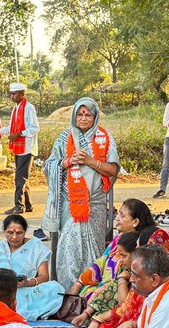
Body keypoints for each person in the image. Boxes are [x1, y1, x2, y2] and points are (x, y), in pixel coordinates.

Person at [41, 97, 121, 286]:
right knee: (68, 250)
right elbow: (49, 166)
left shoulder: (105, 137)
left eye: (88, 114)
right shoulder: (64, 138)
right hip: (70, 204)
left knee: (94, 251)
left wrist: (89, 161)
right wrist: (67, 162)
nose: (83, 118)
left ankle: (91, 292)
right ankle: (68, 291)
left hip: (95, 204)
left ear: (95, 117)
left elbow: (113, 170)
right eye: (80, 114)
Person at [0, 214, 65, 320]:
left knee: (55, 288)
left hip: (23, 289)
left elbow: (44, 276)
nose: (14, 237)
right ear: (4, 231)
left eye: (19, 233)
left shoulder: (36, 246)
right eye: (10, 232)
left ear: (25, 232)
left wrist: (27, 282)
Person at [6, 82, 40, 214]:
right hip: (18, 147)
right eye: (11, 94)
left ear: (21, 95)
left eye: (14, 94)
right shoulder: (16, 109)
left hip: (26, 148)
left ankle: (19, 206)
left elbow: (34, 128)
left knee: (20, 178)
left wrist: (19, 134)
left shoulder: (28, 108)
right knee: (22, 177)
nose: (11, 96)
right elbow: (11, 128)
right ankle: (28, 205)